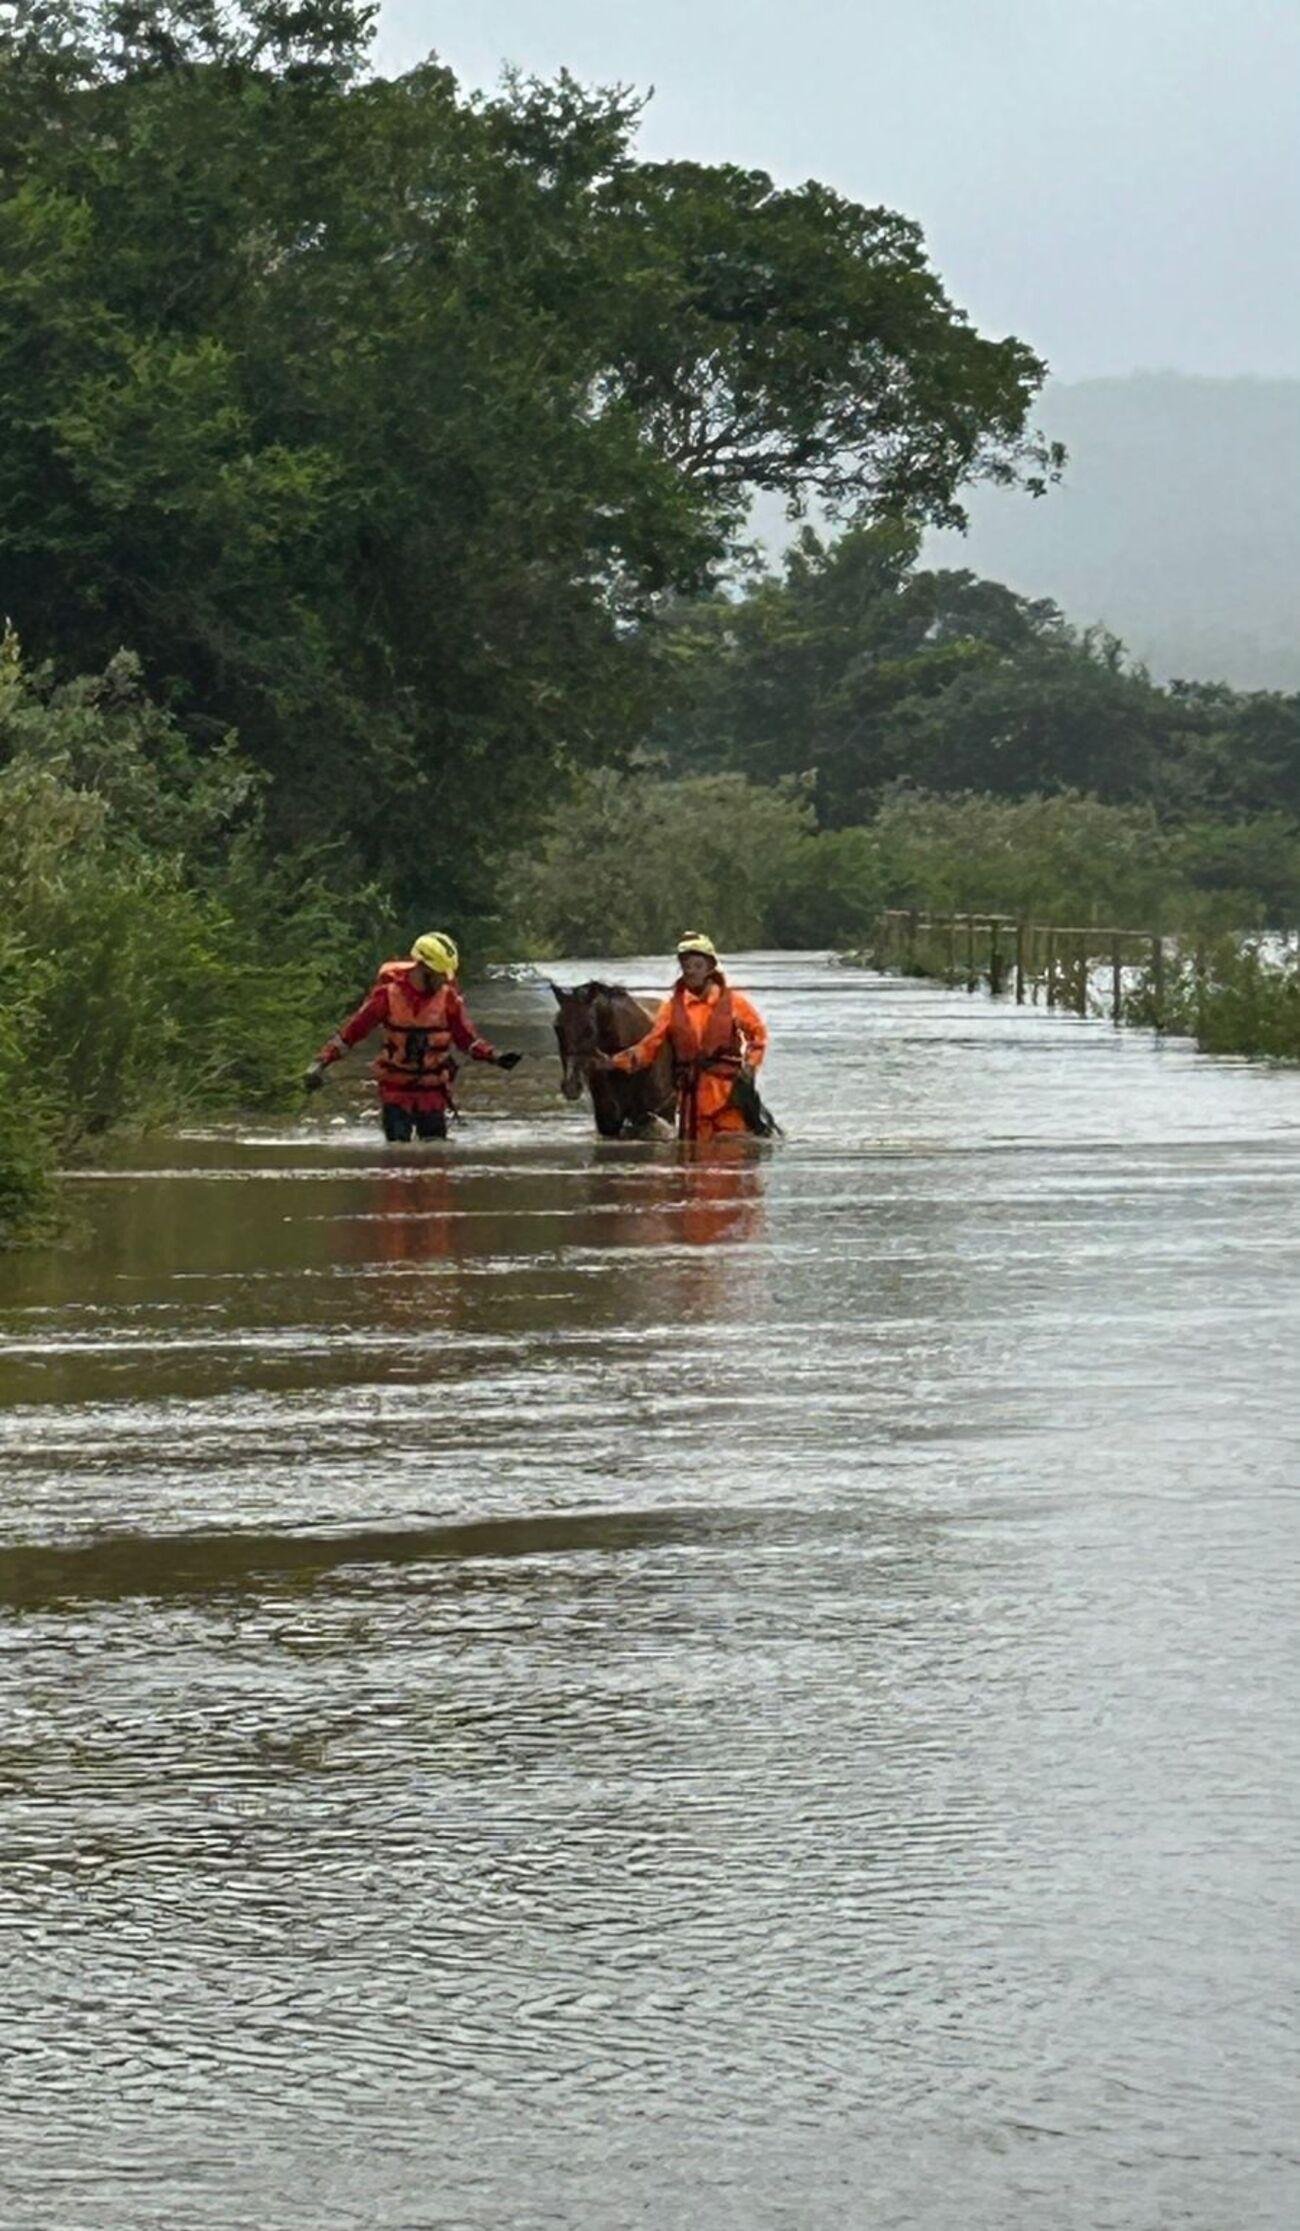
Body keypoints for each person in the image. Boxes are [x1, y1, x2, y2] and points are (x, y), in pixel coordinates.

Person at [302, 931, 522, 1141]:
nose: (443, 981)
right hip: (395, 1092)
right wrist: (321, 1063)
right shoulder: (386, 997)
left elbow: (467, 1039)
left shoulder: (448, 999)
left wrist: (495, 1056)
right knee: (397, 1161)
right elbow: (350, 1034)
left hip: (433, 1094)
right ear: (423, 968)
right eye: (438, 975)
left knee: (435, 1163)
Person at [593, 932, 769, 1142]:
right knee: (694, 1157)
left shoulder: (733, 1002)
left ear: (710, 968)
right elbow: (650, 1046)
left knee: (733, 1154)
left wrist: (750, 1066)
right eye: (686, 965)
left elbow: (758, 1035)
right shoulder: (671, 1009)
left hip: (728, 1093)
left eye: (697, 965)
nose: (691, 970)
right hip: (692, 1100)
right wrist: (613, 1063)